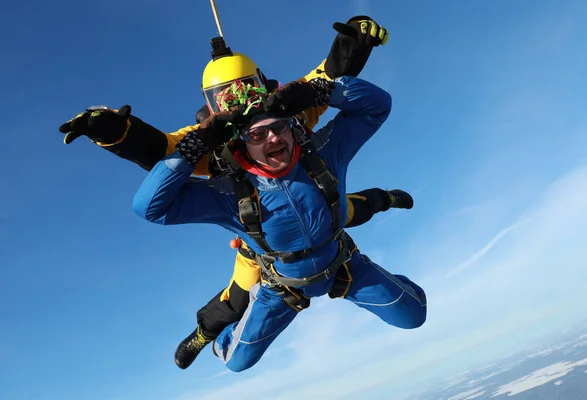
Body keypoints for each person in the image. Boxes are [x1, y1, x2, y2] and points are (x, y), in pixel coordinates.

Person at [58, 15, 415, 369]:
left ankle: (386, 198)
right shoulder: (213, 139)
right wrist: (117, 132)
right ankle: (205, 334)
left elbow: (327, 79)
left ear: (260, 83)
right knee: (237, 298)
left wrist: (353, 42)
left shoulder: (286, 106)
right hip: (263, 239)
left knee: (344, 206)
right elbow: (159, 150)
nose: (267, 132)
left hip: (324, 216)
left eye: (248, 89)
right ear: (214, 104)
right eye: (254, 132)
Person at [132, 75, 427, 373]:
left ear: (291, 126)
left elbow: (378, 106)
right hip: (283, 287)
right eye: (257, 135)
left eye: (279, 126)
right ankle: (212, 335)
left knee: (414, 315)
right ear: (242, 144)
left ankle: (387, 203)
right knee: (236, 362)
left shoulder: (321, 153)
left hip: (342, 264)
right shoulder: (227, 192)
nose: (273, 138)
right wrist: (189, 150)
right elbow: (150, 208)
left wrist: (322, 91)